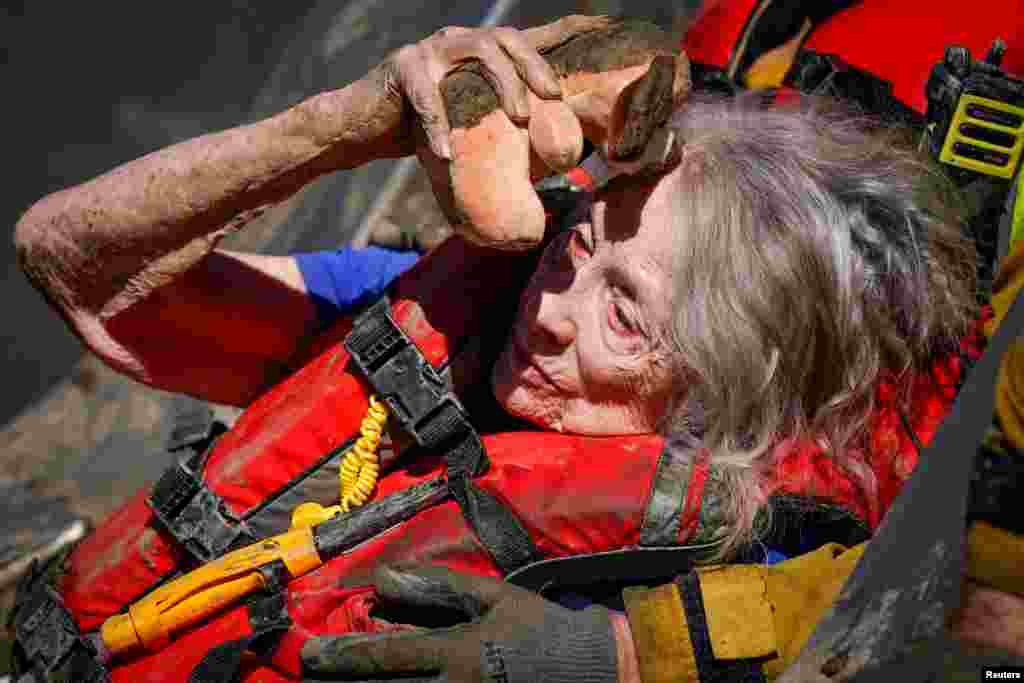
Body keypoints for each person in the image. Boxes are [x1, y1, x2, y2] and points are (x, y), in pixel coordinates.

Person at [12, 13, 1017, 683]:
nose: (554, 310)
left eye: (626, 316)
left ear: (732, 394)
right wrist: (341, 128)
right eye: (574, 248)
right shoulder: (468, 313)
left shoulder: (762, 568)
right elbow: (73, 264)